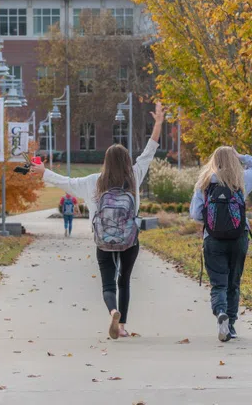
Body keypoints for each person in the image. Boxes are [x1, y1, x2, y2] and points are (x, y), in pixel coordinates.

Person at [32, 102, 165, 339]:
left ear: (106, 161)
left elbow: (64, 182)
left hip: (103, 240)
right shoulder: (134, 177)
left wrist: (43, 172)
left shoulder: (93, 181)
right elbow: (149, 152)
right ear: (126, 162)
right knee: (124, 281)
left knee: (107, 284)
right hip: (130, 239)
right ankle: (121, 325)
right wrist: (158, 123)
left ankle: (112, 310)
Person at [189, 147, 252, 342]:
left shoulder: (204, 183)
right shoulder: (242, 179)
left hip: (213, 239)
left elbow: (195, 214)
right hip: (239, 238)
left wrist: (212, 220)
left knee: (218, 283)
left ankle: (221, 312)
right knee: (234, 282)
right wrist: (241, 156)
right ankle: (230, 325)